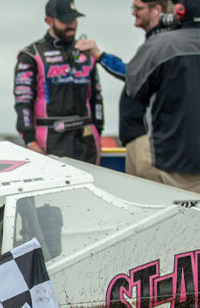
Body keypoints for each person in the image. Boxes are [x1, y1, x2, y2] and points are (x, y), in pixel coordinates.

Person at [125, 0, 200, 201]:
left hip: (178, 152)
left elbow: (134, 86)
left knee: (190, 219)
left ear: (180, 11)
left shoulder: (162, 45)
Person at [74, 0, 171, 181]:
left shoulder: (163, 43)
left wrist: (99, 55)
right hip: (140, 138)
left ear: (157, 10)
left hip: (149, 139)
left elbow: (132, 74)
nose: (133, 13)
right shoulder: (159, 42)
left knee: (155, 198)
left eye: (138, 8)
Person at [14, 0, 103, 164]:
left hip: (86, 139)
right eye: (65, 20)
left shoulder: (85, 52)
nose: (71, 25)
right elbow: (23, 101)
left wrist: (98, 129)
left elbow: (96, 96)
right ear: (49, 20)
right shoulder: (32, 55)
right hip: (51, 139)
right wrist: (30, 140)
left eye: (73, 19)